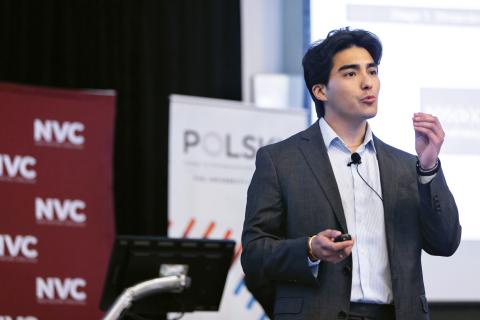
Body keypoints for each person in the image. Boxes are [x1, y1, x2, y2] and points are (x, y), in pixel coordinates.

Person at [241, 28, 461, 320]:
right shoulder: (281, 160)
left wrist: (429, 167)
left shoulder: (407, 166)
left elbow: (445, 242)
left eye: (372, 71)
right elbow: (255, 254)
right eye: (350, 74)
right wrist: (309, 249)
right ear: (320, 91)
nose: (367, 82)